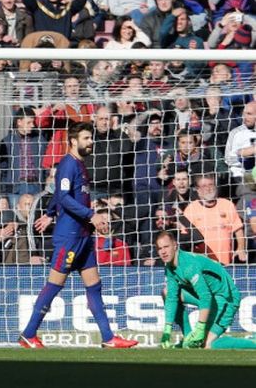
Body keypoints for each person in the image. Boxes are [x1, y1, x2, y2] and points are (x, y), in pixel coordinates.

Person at [22, 122, 138, 349]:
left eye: (91, 138)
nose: (91, 142)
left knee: (94, 286)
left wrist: (49, 213)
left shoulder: (80, 165)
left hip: (84, 235)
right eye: (86, 138)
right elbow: (64, 197)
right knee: (54, 284)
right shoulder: (68, 164)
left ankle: (108, 338)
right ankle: (28, 333)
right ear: (74, 141)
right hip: (70, 236)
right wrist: (91, 215)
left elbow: (60, 195)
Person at [156, 231, 241, 349]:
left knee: (207, 345)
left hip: (226, 298)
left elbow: (205, 297)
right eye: (160, 249)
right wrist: (167, 329)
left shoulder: (189, 265)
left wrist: (200, 327)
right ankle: (187, 336)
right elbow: (171, 297)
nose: (163, 251)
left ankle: (253, 342)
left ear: (175, 246)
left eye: (166, 246)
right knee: (167, 292)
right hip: (210, 296)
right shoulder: (170, 267)